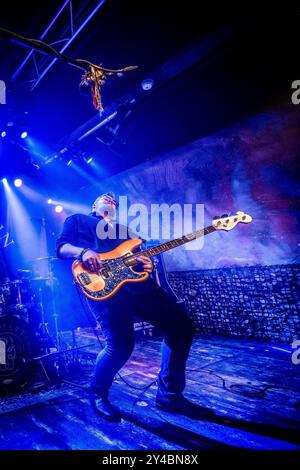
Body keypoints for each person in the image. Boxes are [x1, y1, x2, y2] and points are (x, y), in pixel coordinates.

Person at [56, 192, 197, 422]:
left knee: (182, 327)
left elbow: (143, 257)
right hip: (105, 289)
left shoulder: (125, 232)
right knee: (120, 346)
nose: (111, 201)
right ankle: (97, 393)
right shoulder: (78, 220)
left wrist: (147, 262)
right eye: (106, 198)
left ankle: (169, 395)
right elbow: (61, 248)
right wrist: (83, 252)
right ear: (94, 204)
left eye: (114, 202)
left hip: (142, 288)